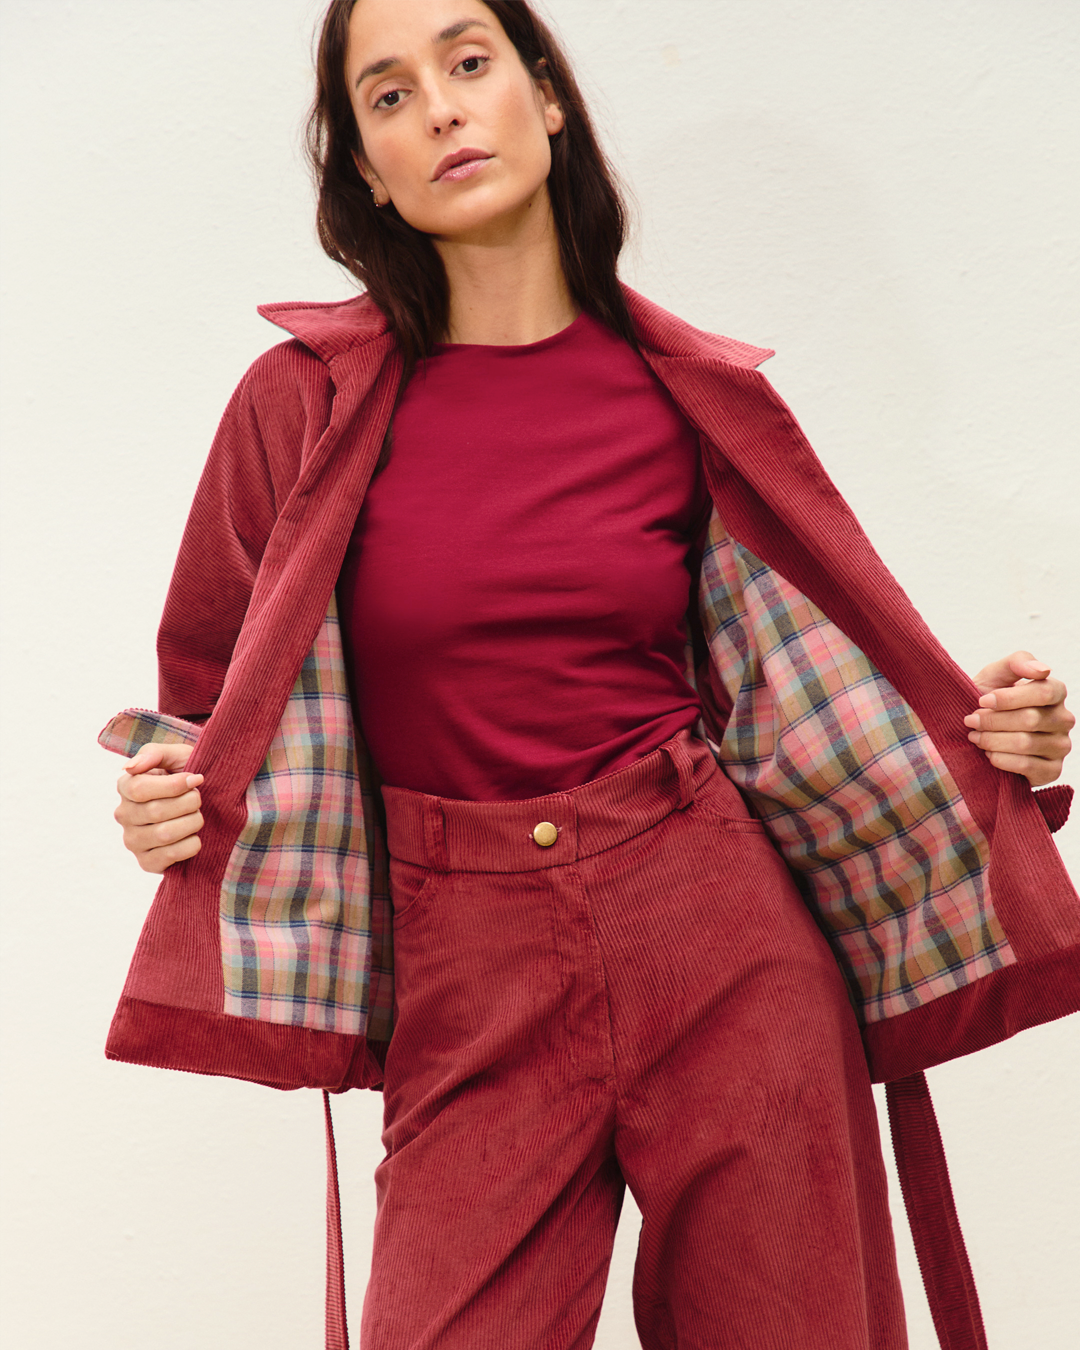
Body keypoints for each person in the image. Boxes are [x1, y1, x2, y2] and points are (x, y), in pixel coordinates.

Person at [105, 1, 1079, 1347]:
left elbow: (806, 673)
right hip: (463, 963)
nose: (441, 107)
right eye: (388, 95)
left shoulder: (689, 393)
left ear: (546, 96)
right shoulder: (302, 403)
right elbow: (217, 709)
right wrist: (164, 796)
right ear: (366, 170)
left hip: (718, 933)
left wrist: (992, 729)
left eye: (468, 61)